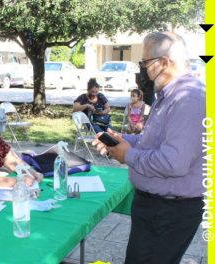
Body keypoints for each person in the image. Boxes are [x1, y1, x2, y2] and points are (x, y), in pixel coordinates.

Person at [93, 32, 205, 264]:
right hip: (158, 208)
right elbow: (153, 141)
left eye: (145, 63)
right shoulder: (169, 95)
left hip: (168, 212)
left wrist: (128, 155)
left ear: (164, 62)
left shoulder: (188, 99)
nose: (142, 69)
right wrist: (121, 139)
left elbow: (173, 163)